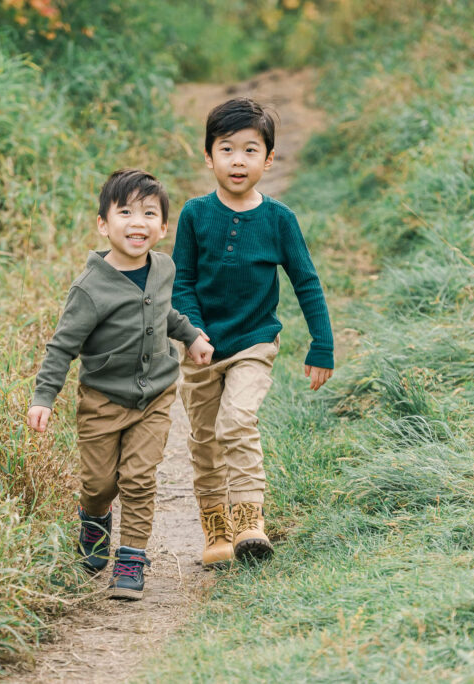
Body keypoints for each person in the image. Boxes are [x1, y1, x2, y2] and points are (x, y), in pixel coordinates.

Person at [27, 169, 214, 600]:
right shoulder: (90, 288)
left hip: (155, 395)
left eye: (150, 213)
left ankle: (131, 558)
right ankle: (93, 520)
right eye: (125, 211)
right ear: (103, 224)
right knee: (99, 484)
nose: (138, 222)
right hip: (102, 400)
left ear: (163, 227)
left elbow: (163, 312)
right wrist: (44, 397)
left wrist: (190, 336)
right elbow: (62, 347)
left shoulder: (163, 268)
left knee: (138, 477)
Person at [172, 97, 334, 567]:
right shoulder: (195, 215)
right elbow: (181, 282)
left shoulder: (278, 220)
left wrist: (321, 344)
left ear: (268, 159)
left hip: (254, 343)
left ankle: (249, 522)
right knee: (204, 441)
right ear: (209, 156)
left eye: (249, 150)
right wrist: (193, 334)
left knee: (236, 421)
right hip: (201, 348)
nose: (237, 160)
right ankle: (216, 531)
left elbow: (306, 280)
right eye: (226, 149)